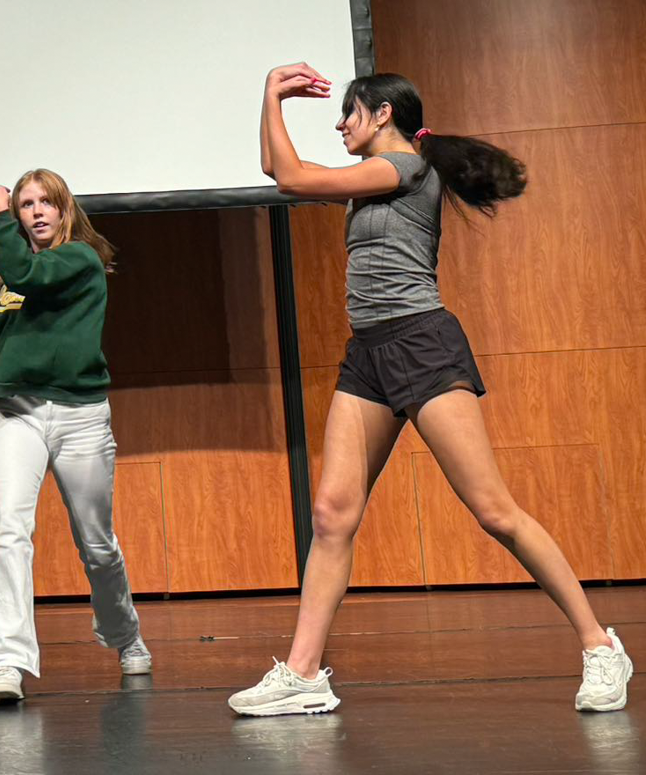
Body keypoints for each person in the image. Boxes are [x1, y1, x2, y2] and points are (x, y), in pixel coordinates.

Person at [228, 65, 632, 716]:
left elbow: (294, 178)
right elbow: (276, 166)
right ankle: (303, 673)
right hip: (369, 354)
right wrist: (267, 96)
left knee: (494, 510)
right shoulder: (376, 174)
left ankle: (600, 645)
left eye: (349, 114)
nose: (340, 125)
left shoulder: (405, 169)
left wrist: (275, 96)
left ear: (383, 115)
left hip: (422, 343)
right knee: (332, 514)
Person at [0, 168, 151, 702]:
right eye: (25, 205)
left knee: (97, 545)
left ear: (65, 210)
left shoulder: (78, 261)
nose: (36, 211)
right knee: (9, 531)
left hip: (80, 415)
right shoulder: (8, 280)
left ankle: (126, 636)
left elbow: (28, 274)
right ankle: (8, 663)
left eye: (47, 202)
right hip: (16, 413)